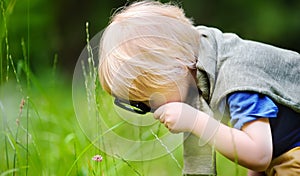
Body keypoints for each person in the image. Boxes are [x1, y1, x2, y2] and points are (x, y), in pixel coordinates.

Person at [98, 1, 300, 176]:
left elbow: (259, 154)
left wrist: (195, 121)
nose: (154, 112)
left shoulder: (237, 77)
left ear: (177, 67)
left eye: (151, 100)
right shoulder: (205, 60)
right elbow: (267, 144)